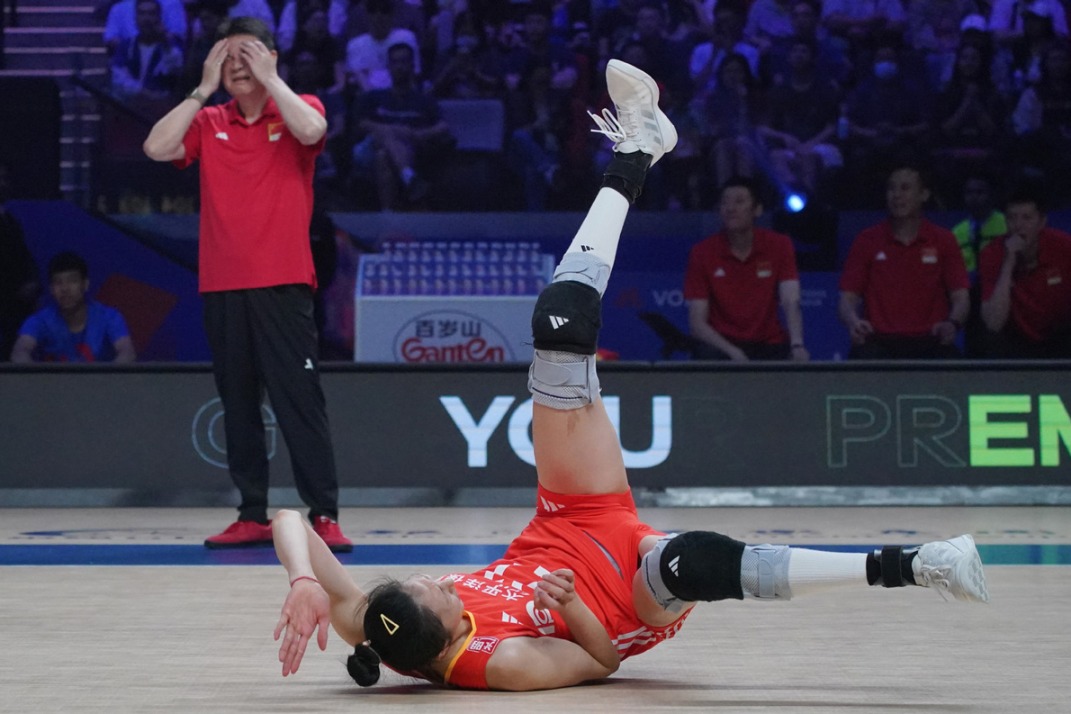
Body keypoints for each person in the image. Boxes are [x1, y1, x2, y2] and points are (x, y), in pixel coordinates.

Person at [270, 60, 989, 692]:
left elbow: (289, 518)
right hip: (622, 602)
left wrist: (306, 579)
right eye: (438, 592)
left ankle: (638, 148)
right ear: (452, 630)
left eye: (420, 582)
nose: (437, 579)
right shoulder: (500, 663)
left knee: (558, 326)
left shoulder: (383, 622)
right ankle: (915, 565)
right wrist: (571, 607)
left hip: (568, 518)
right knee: (690, 562)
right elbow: (604, 662)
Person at [142, 16, 352, 552]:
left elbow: (314, 131)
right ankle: (251, 513)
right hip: (222, 285)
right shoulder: (209, 119)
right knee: (237, 403)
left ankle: (324, 514)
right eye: (226, 57)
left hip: (283, 283)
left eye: (247, 55)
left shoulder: (297, 108)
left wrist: (272, 78)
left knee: (299, 401)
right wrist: (201, 88)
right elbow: (156, 148)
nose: (236, 66)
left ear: (271, 57)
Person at [838, 164, 971, 359]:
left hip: (931, 340)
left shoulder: (944, 240)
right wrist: (854, 322)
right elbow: (847, 299)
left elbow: (961, 297)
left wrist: (952, 324)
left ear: (924, 194)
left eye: (905, 188)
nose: (896, 195)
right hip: (879, 342)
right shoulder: (866, 240)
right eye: (891, 188)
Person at [684, 176, 808, 361]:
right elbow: (697, 323)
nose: (730, 208)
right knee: (705, 354)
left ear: (757, 210)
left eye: (739, 202)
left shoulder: (779, 245)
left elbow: (791, 300)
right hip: (722, 345)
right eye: (725, 202)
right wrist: (733, 352)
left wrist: (797, 344)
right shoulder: (702, 252)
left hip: (769, 343)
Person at [350, 42, 453, 210]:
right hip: (369, 149)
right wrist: (393, 130)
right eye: (395, 62)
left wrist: (419, 134)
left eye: (404, 61)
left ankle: (388, 212)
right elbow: (361, 123)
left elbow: (443, 126)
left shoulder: (424, 100)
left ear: (412, 66)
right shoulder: (374, 97)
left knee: (383, 156)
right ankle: (409, 178)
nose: (399, 67)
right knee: (384, 136)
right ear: (389, 67)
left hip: (410, 148)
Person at [979, 187, 1071, 358]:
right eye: (1012, 218)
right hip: (1015, 339)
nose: (1018, 226)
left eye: (1027, 218)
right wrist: (1008, 263)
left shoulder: (1065, 248)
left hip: (1060, 335)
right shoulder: (991, 254)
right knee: (991, 341)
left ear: (1042, 222)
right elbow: (993, 323)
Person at [10, 251, 136, 363]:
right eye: (58, 282)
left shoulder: (109, 317)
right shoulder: (40, 320)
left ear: (85, 285)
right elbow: (19, 352)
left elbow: (127, 352)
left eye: (72, 281)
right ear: (51, 289)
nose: (65, 289)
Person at [0, 163, 40, 362]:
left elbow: (24, 257)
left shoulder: (10, 220)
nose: (3, 184)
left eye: (4, 178)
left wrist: (32, 284)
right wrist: (15, 290)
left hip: (16, 312)